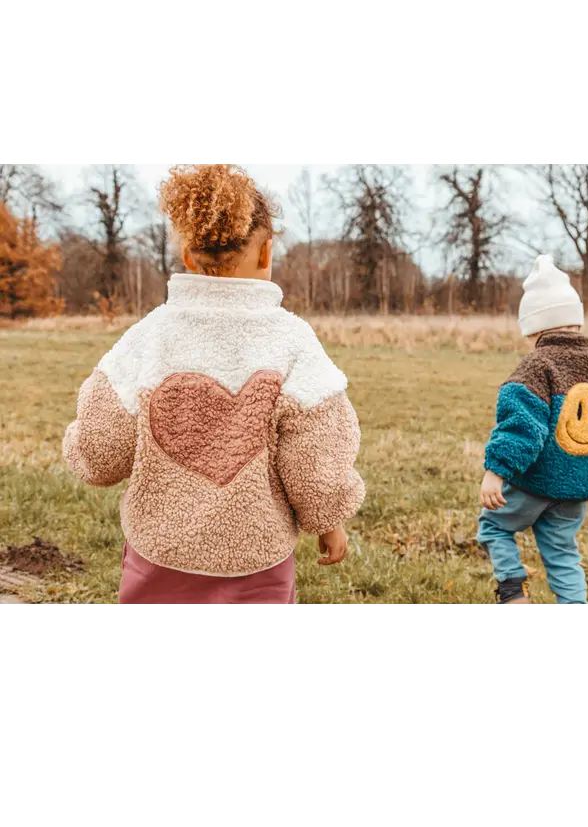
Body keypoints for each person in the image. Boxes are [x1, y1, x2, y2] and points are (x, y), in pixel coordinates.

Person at [63, 164, 365, 605]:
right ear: (266, 253)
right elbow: (316, 462)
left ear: (187, 256)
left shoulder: (148, 337)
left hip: (158, 555)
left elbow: (100, 451)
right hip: (257, 558)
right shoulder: (292, 340)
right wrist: (327, 520)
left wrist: (78, 444)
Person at [478, 255, 588, 606]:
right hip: (579, 488)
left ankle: (512, 593)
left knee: (494, 526)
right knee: (563, 552)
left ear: (535, 329)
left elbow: (523, 427)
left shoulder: (536, 367)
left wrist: (495, 471)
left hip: (534, 483)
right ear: (576, 324)